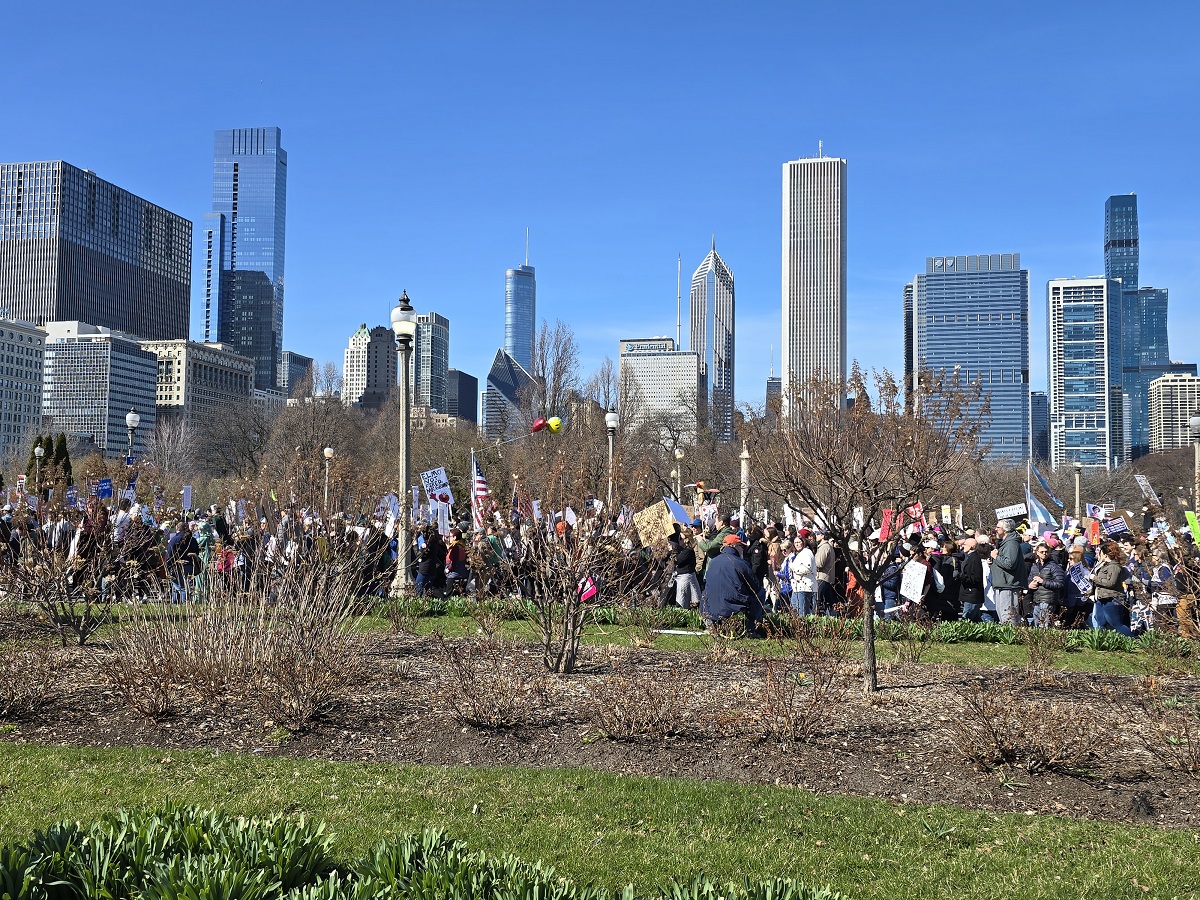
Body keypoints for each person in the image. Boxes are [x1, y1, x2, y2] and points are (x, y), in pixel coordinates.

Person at [702, 534, 766, 635]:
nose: (743, 549)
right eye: (741, 546)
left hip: (711, 606)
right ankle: (751, 628)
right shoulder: (740, 563)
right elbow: (755, 587)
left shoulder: (713, 562)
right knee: (761, 592)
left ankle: (710, 625)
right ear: (734, 546)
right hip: (733, 605)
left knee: (706, 592)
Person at [1088, 541, 1132, 637]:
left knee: (1116, 624)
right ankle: (1102, 641)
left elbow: (1111, 583)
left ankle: (1133, 639)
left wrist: (1094, 578)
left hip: (1112, 598)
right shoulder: (1104, 565)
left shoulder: (1114, 567)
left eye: (1100, 552)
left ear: (1105, 554)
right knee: (1100, 623)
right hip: (1101, 598)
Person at [991, 518, 1024, 624]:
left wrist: (996, 557)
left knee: (1008, 617)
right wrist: (993, 561)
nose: (995, 529)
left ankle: (1012, 634)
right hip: (1003, 584)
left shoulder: (1011, 544)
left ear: (1005, 530)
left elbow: (1010, 564)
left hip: (1008, 585)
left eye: (998, 527)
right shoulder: (1004, 543)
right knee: (1003, 616)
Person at [1026, 541, 1066, 627]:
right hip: (1037, 600)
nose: (1044, 554)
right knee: (1036, 625)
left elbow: (1060, 583)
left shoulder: (1054, 566)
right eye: (1042, 552)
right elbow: (1029, 580)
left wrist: (1043, 581)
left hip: (1048, 600)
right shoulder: (1035, 566)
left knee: (1044, 625)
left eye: (1046, 552)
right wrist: (1029, 585)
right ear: (1037, 552)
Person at [669, 526, 701, 610]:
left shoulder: (688, 551)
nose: (678, 540)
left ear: (686, 540)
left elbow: (677, 560)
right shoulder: (684, 550)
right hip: (683, 577)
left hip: (685, 578)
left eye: (680, 538)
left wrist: (672, 551)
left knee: (682, 602)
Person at [786, 530, 817, 616]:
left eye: (799, 542)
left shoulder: (807, 553)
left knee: (802, 612)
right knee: (794, 610)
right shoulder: (799, 554)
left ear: (803, 542)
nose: (797, 544)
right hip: (797, 586)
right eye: (795, 542)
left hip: (804, 586)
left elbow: (807, 569)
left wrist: (794, 568)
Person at [813, 530, 837, 615]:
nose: (816, 536)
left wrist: (811, 565)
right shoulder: (827, 546)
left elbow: (819, 563)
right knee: (828, 601)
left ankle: (816, 617)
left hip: (822, 577)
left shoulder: (824, 547)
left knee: (817, 600)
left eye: (817, 534)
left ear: (823, 536)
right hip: (826, 577)